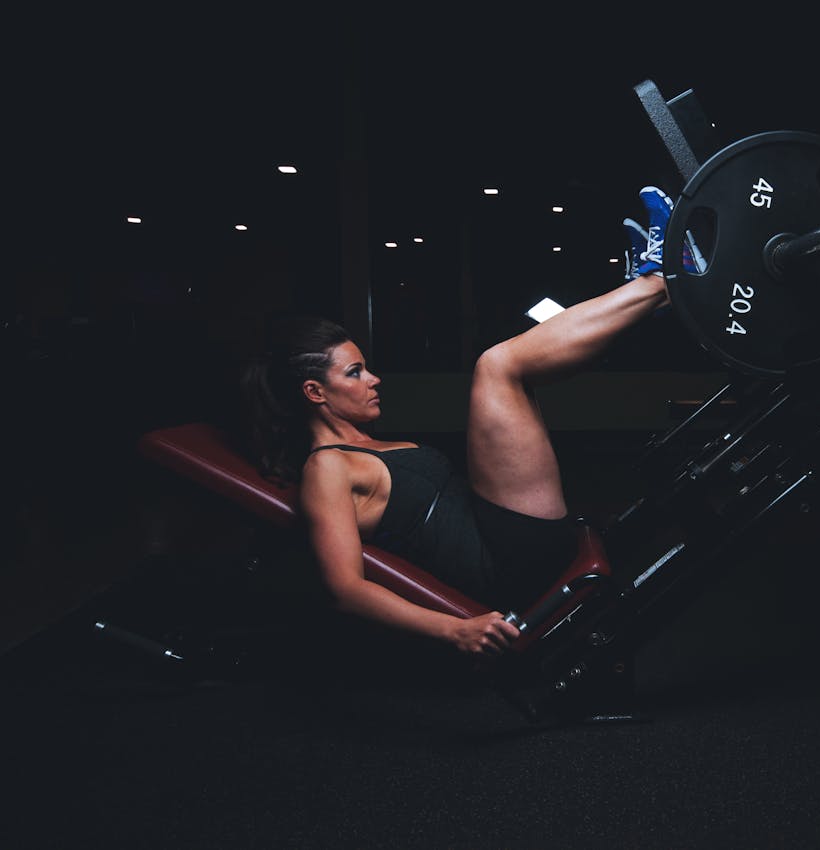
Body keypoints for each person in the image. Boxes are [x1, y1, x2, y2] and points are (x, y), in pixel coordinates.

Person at [241, 186, 695, 659]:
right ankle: (658, 280)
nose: (374, 379)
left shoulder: (363, 446)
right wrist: (453, 630)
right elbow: (344, 588)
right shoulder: (326, 469)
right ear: (315, 393)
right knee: (497, 368)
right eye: (355, 373)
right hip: (505, 564)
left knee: (516, 374)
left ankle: (648, 295)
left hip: (504, 536)